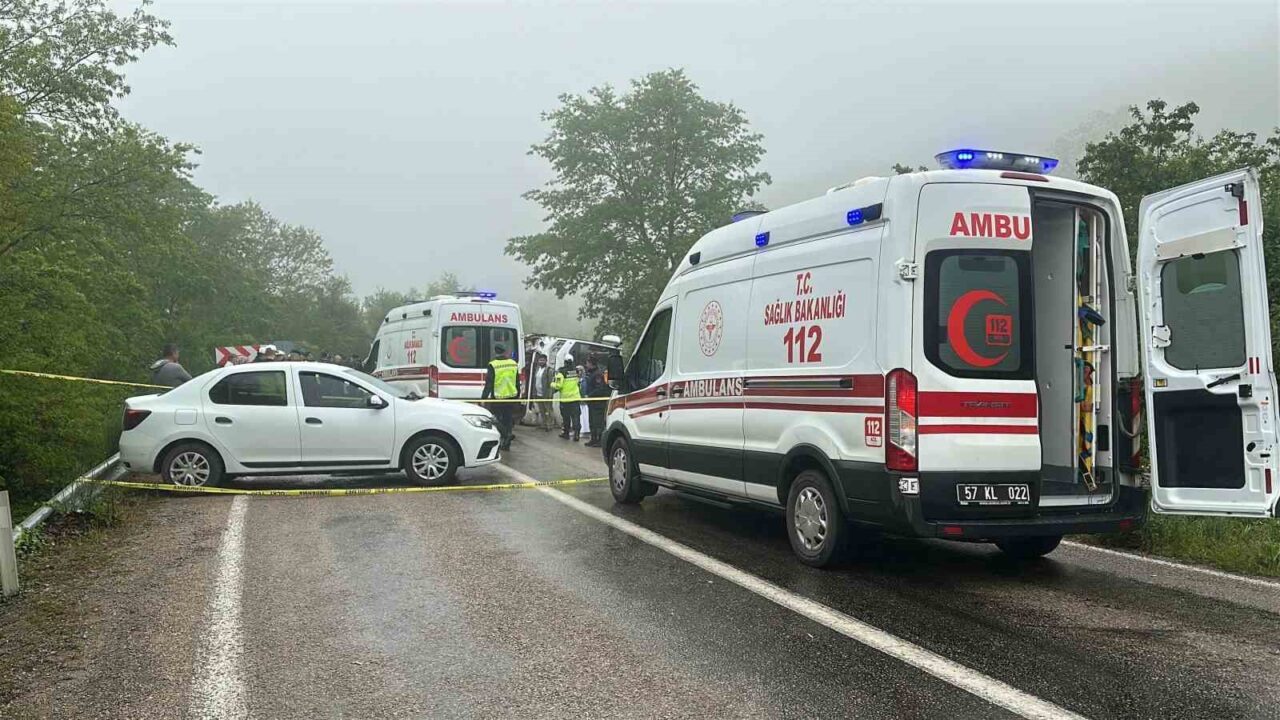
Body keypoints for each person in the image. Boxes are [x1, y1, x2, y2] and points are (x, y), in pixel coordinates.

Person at [482, 344, 520, 450]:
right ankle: (507, 443)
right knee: (508, 419)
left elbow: (489, 383)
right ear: (505, 352)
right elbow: (517, 381)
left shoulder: (493, 365)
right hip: (511, 396)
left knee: (497, 419)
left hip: (498, 397)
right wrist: (518, 395)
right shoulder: (513, 363)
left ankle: (505, 435)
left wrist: (483, 398)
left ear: (495, 352)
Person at [580, 356, 610, 447]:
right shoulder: (591, 373)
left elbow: (600, 389)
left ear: (591, 363)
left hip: (598, 403)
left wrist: (589, 395)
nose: (586, 365)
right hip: (592, 403)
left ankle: (599, 440)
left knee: (598, 422)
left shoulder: (597, 374)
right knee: (592, 422)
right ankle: (593, 439)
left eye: (587, 363)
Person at [551, 355, 582, 441]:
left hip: (565, 399)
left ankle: (566, 433)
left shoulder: (561, 372)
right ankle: (577, 435)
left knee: (566, 417)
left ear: (564, 362)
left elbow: (558, 386)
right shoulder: (576, 371)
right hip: (575, 398)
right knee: (576, 417)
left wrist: (551, 384)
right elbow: (578, 382)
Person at [531, 354, 555, 431]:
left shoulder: (549, 370)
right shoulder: (537, 369)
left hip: (546, 394)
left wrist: (550, 394)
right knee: (542, 410)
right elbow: (535, 381)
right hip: (538, 393)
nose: (541, 362)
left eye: (543, 360)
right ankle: (544, 424)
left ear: (546, 361)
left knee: (548, 410)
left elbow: (551, 383)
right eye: (540, 360)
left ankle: (549, 425)